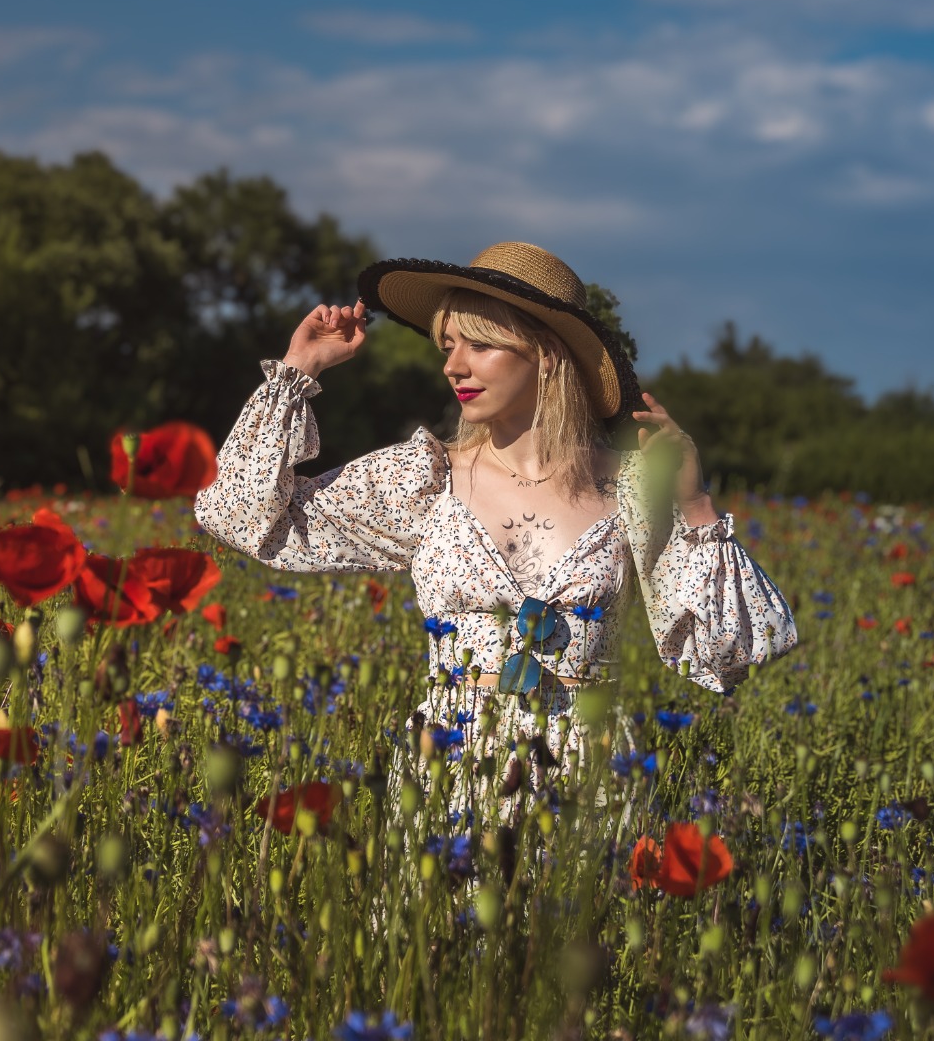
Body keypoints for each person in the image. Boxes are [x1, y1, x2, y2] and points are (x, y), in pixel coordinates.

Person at [193, 241, 796, 803]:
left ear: (548, 356)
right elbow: (240, 516)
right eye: (446, 346)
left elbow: (726, 655)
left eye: (478, 345)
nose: (453, 366)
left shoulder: (633, 489)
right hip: (450, 777)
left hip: (587, 785)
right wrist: (299, 370)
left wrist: (694, 506)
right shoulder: (422, 480)